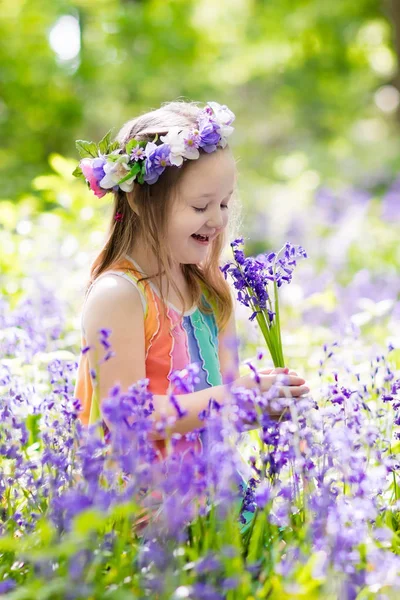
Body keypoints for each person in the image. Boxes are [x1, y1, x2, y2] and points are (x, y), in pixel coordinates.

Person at [73, 100, 309, 461]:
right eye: (201, 206)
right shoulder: (119, 295)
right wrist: (237, 395)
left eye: (225, 204)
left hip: (212, 492)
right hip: (144, 504)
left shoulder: (209, 292)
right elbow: (128, 417)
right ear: (138, 199)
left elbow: (213, 410)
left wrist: (263, 404)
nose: (217, 220)